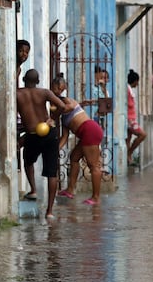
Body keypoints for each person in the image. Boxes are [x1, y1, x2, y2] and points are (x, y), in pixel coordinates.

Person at [15, 69, 69, 220]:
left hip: (32, 135)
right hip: (48, 132)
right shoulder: (44, 92)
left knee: (28, 161)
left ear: (24, 79)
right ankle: (50, 211)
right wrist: (52, 118)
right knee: (52, 172)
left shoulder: (17, 94)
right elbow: (63, 107)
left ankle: (33, 189)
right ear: (38, 81)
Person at [51, 76, 104, 206]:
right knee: (74, 157)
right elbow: (64, 136)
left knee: (94, 165)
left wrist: (56, 111)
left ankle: (96, 197)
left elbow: (68, 107)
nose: (58, 91)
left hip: (90, 130)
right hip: (86, 133)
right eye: (56, 89)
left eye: (60, 89)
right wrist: (56, 150)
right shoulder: (63, 117)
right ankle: (70, 190)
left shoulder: (68, 101)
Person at [126, 69, 147, 166]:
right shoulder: (127, 90)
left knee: (128, 139)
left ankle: (128, 157)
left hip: (131, 119)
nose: (137, 84)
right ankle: (129, 152)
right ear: (134, 81)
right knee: (142, 135)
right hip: (129, 120)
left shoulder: (129, 90)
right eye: (137, 82)